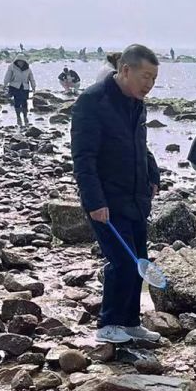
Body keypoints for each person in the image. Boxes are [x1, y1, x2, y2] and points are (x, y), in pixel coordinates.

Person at [70, 44, 163, 347]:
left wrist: (152, 174)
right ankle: (108, 323)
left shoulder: (136, 103)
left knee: (140, 261)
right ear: (125, 70)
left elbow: (140, 144)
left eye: (154, 78)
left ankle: (130, 322)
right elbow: (83, 157)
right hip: (107, 200)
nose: (149, 84)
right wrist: (94, 201)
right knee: (122, 262)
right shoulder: (93, 101)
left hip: (135, 196)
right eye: (145, 76)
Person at [2, 58, 35, 128]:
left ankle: (25, 116)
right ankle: (18, 117)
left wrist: (33, 87)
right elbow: (8, 76)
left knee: (24, 102)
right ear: (17, 62)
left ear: (24, 62)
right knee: (17, 101)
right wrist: (5, 84)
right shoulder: (12, 67)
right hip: (15, 87)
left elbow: (31, 78)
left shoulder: (28, 69)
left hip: (24, 87)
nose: (20, 63)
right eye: (19, 62)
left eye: (22, 62)